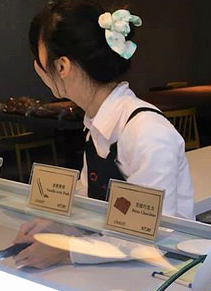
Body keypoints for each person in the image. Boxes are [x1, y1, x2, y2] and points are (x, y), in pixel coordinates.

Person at [14, 0, 194, 268]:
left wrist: (64, 250)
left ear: (62, 67)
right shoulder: (96, 124)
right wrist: (57, 225)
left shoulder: (146, 132)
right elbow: (93, 202)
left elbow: (148, 238)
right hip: (117, 271)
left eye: (40, 60)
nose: (38, 69)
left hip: (162, 276)